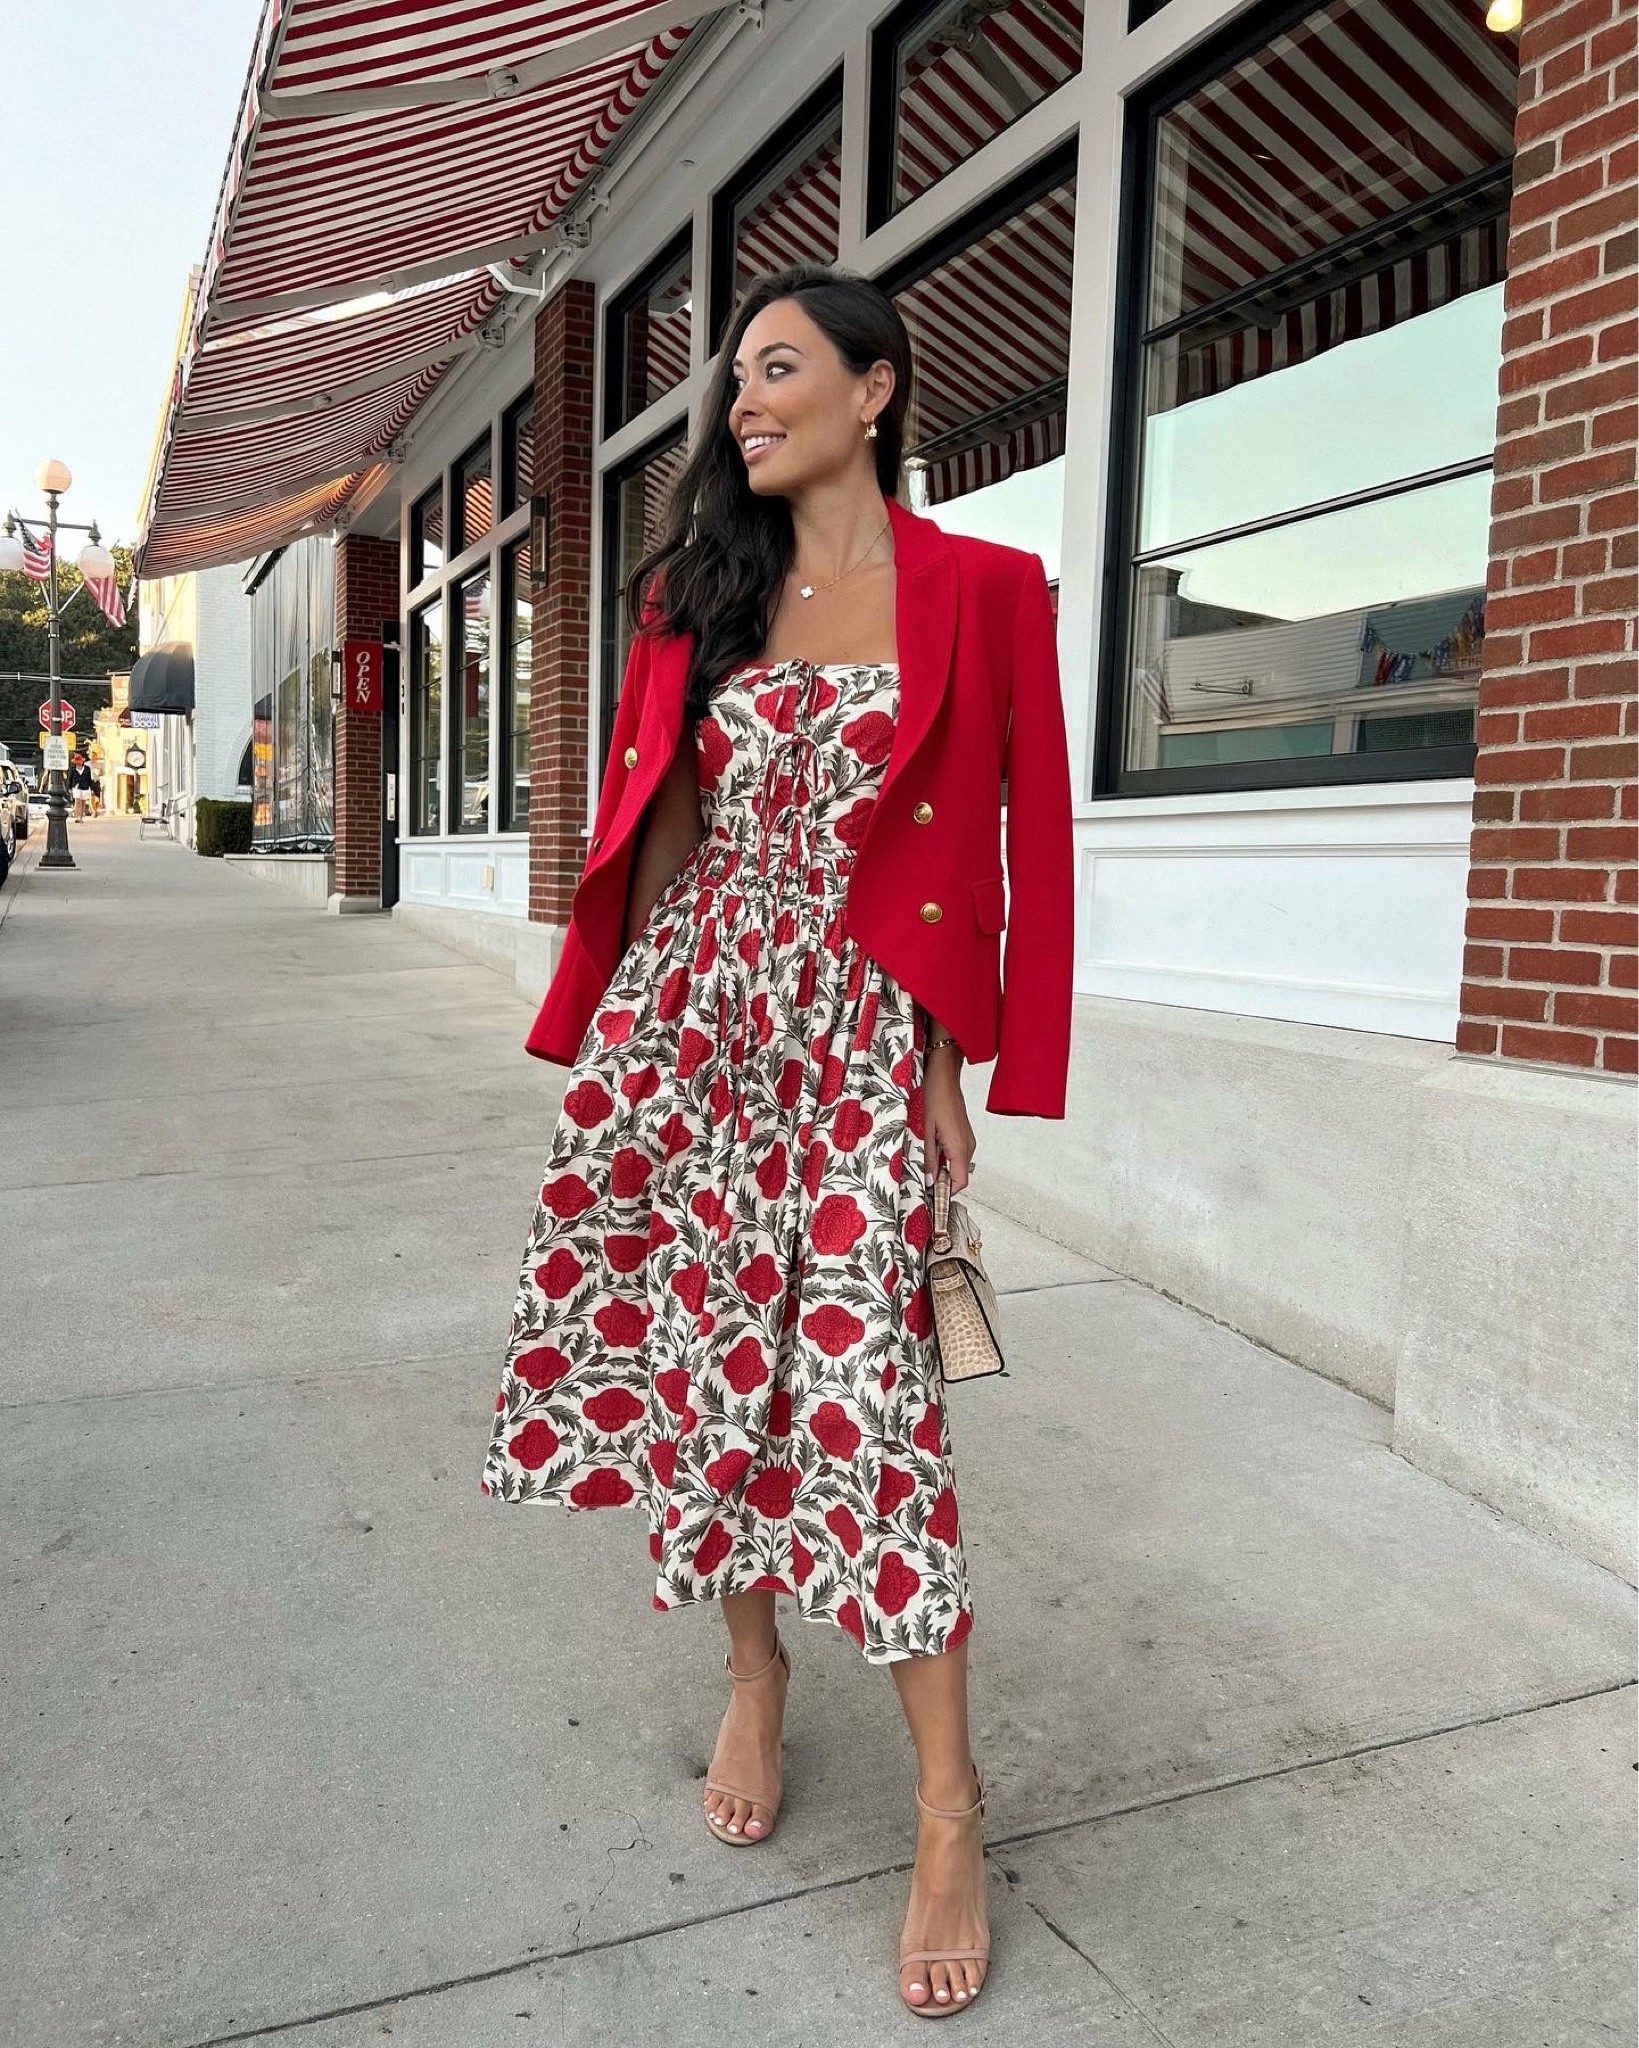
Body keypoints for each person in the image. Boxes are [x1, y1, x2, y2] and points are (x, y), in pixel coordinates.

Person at [480, 262, 1073, 2019]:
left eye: (779, 369)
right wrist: (625, 1051)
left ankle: (946, 1809)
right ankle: (752, 1669)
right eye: (735, 380)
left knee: (861, 1405)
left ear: (876, 389)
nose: (742, 402)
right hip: (703, 1023)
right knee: (701, 1361)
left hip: (862, 1030)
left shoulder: (981, 591)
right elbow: (657, 824)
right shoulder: (698, 588)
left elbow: (1025, 829)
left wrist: (963, 1056)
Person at [68, 755, 93, 821]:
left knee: (83, 802)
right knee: (77, 801)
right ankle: (77, 817)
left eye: (80, 761)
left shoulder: (87, 769)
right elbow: (70, 778)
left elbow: (89, 779)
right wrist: (69, 787)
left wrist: (91, 788)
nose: (79, 763)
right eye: (77, 762)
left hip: (85, 786)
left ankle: (81, 817)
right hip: (76, 786)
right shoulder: (73, 769)